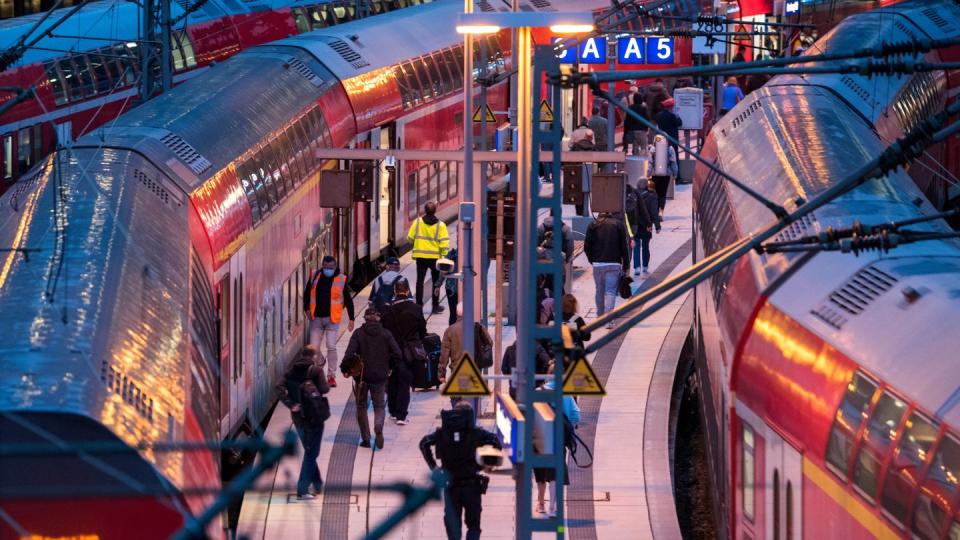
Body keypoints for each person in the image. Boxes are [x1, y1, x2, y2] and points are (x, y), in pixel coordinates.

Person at [420, 402, 502, 540]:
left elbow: (424, 443)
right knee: (474, 526)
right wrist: (488, 464)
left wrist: (434, 467)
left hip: (451, 485)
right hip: (472, 485)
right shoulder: (477, 433)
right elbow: (495, 440)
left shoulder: (442, 433)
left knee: (453, 526)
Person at [342, 307, 402, 449]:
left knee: (361, 406)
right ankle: (378, 427)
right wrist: (390, 366)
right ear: (379, 318)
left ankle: (366, 439)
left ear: (365, 318)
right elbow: (398, 354)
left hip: (361, 377)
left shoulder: (358, 334)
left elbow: (349, 354)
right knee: (379, 406)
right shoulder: (386, 334)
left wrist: (345, 369)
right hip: (380, 376)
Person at [276, 346, 330, 500]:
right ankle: (302, 490)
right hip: (314, 417)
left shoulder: (290, 371)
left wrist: (291, 404)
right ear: (314, 357)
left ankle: (318, 484)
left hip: (298, 417)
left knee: (309, 450)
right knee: (312, 453)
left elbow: (278, 388)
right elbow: (325, 389)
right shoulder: (316, 371)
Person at [534, 361, 581, 516]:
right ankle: (553, 507)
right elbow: (576, 415)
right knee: (555, 470)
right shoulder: (565, 393)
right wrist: (568, 424)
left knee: (540, 471)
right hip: (558, 436)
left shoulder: (538, 392)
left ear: (548, 375)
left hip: (540, 437)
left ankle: (541, 503)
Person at [303, 255, 355, 388]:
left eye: (330, 268)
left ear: (335, 267)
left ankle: (331, 376)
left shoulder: (341, 279)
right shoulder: (315, 275)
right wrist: (306, 309)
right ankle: (320, 362)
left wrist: (352, 318)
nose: (328, 270)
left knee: (331, 346)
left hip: (332, 319)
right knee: (313, 349)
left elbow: (348, 300)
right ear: (322, 265)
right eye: (325, 267)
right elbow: (307, 293)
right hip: (316, 318)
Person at [381, 279, 426, 426]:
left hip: (391, 352)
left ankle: (393, 411)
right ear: (407, 291)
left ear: (395, 291)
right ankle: (401, 415)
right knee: (404, 382)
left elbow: (383, 331)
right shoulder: (416, 309)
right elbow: (422, 331)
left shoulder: (387, 310)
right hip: (409, 352)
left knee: (392, 380)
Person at [584, 212, 630, 327]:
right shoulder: (618, 225)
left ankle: (600, 317)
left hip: (598, 264)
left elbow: (586, 246)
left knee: (599, 290)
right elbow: (624, 246)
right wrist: (626, 265)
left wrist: (591, 259)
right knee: (610, 291)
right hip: (614, 263)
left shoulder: (593, 225)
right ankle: (609, 320)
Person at [407, 201, 450, 314]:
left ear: (424, 210)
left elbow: (410, 238)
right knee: (436, 281)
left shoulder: (417, 223)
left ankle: (418, 305)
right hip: (435, 258)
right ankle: (435, 305)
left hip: (420, 257)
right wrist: (444, 256)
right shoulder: (441, 225)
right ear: (435, 211)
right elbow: (444, 243)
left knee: (419, 281)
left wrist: (416, 243)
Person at [636, 179, 662, 276]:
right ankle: (645, 266)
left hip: (636, 224)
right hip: (647, 225)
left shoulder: (634, 194)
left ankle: (637, 267)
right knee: (645, 246)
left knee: (636, 246)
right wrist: (657, 226)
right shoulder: (652, 196)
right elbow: (654, 213)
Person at [651, 136, 678, 215]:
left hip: (654, 174)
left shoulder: (653, 149)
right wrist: (675, 174)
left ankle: (655, 212)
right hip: (666, 174)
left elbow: (650, 162)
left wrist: (648, 173)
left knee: (654, 193)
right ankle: (661, 212)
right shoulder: (670, 149)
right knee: (662, 193)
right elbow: (673, 162)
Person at [443, 248, 459, 326]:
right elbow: (443, 270)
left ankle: (452, 333)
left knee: (453, 313)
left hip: (451, 287)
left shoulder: (451, 254)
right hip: (452, 288)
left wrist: (437, 285)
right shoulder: (451, 254)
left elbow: (443, 270)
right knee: (454, 313)